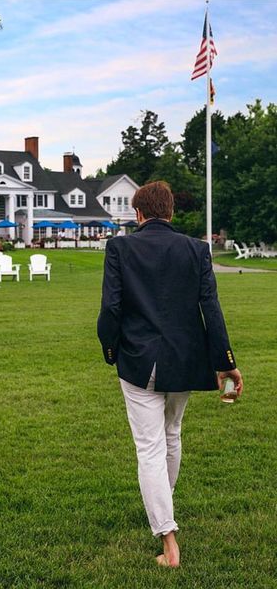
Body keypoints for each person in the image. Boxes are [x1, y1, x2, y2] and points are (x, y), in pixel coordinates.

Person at [97, 181, 243, 568]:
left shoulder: (120, 247)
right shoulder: (197, 249)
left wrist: (111, 351)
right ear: (171, 212)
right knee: (170, 435)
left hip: (137, 359)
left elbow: (111, 308)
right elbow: (211, 310)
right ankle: (162, 505)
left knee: (150, 447)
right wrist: (226, 361)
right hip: (184, 360)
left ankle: (169, 541)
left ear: (138, 214)